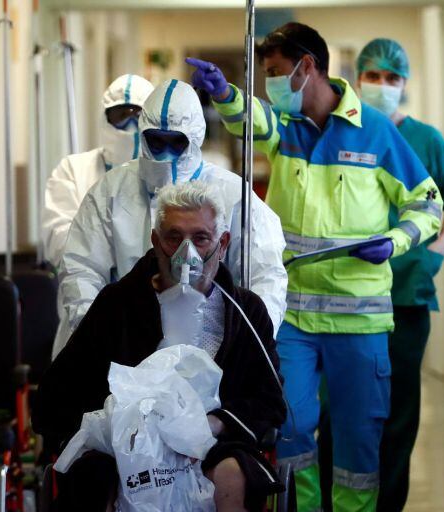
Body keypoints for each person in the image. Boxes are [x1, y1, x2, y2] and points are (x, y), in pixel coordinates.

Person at [188, 22, 443, 512]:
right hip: (296, 319)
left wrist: (397, 241)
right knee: (294, 437)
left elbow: (426, 202)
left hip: (359, 325)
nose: (272, 84)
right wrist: (225, 94)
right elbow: (251, 120)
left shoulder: (377, 134)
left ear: (309, 68)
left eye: (277, 72)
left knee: (357, 449)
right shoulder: (289, 129)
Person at [34, 181, 287, 512]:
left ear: (225, 242)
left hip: (214, 444)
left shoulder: (244, 312)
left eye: (201, 236)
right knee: (89, 474)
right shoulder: (118, 306)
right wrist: (116, 419)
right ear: (154, 240)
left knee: (237, 474)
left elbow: (270, 403)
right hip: (130, 447)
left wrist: (215, 423)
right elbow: (57, 396)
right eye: (174, 237)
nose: (187, 251)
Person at [316, 38, 444, 512]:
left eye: (391, 77)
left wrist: (435, 253)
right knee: (336, 410)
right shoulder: (339, 133)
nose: (381, 84)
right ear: (355, 77)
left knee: (396, 414)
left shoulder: (425, 140)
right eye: (373, 75)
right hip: (343, 301)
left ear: (405, 82)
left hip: (405, 296)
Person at [54, 79, 288, 355]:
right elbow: (82, 268)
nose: (165, 152)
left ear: (195, 138)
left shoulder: (233, 195)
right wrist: (98, 336)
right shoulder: (112, 190)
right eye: (156, 140)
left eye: (176, 142)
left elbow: (266, 275)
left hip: (215, 343)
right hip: (129, 340)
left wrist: (247, 344)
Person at [41, 73, 154, 267]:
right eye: (121, 116)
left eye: (139, 116)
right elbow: (60, 244)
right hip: (90, 292)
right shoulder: (73, 170)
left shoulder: (167, 174)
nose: (130, 126)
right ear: (105, 117)